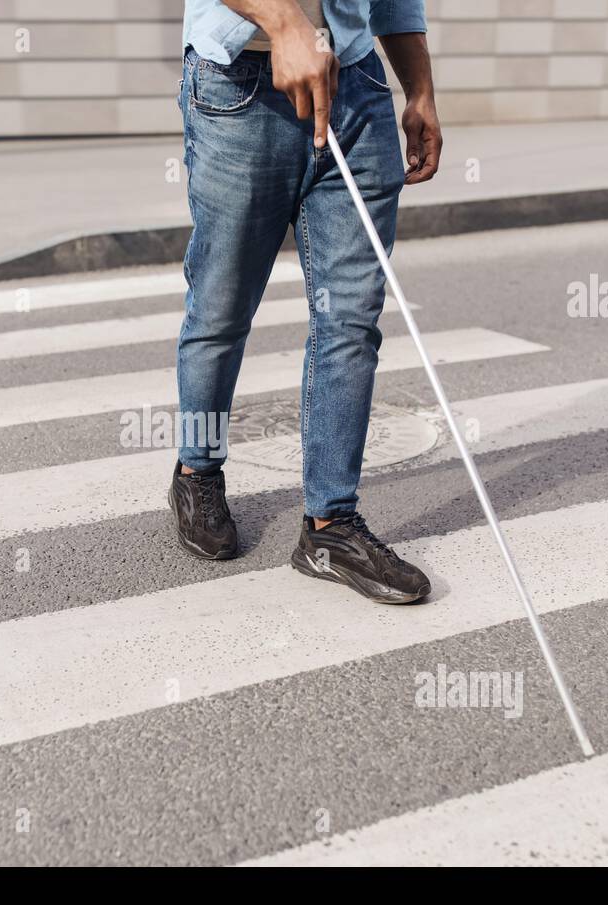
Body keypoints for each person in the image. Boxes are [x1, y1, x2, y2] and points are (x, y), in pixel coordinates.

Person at [169, 0, 443, 603]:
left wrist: (418, 90)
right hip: (241, 87)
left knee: (350, 317)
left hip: (357, 89)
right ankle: (198, 469)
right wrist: (285, 22)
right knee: (221, 308)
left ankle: (330, 527)